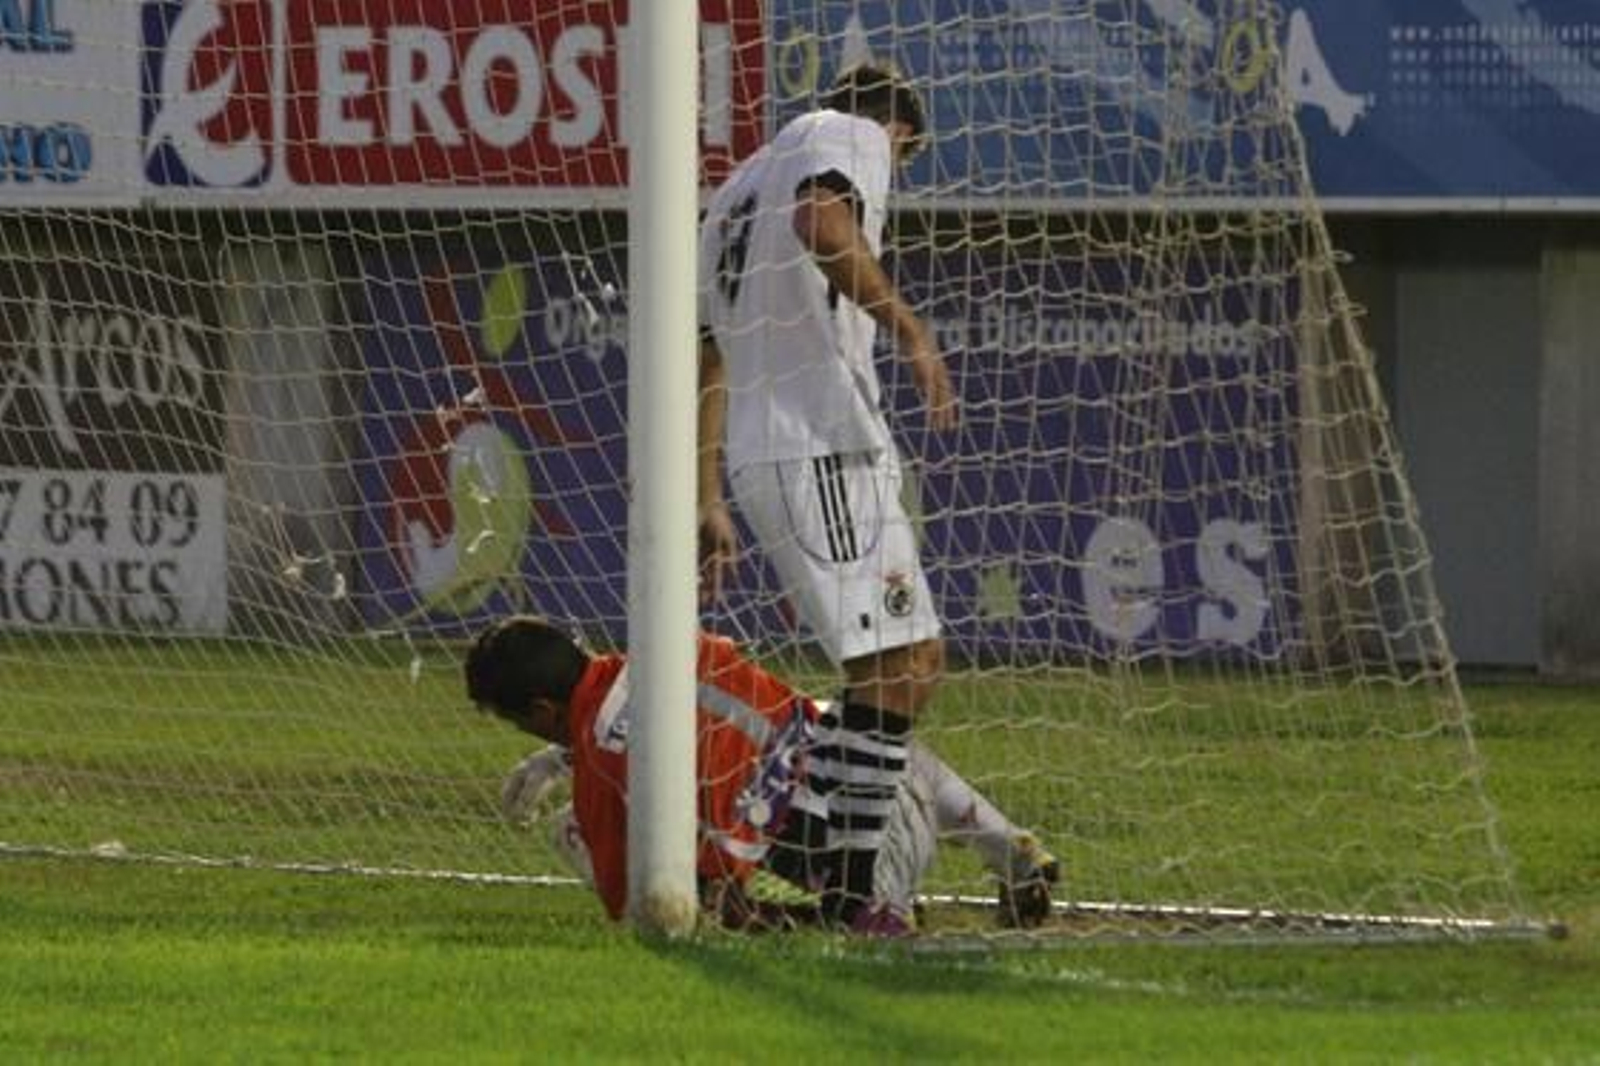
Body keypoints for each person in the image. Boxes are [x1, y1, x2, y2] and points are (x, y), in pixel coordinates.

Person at [695, 62, 958, 926]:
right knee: (901, 663)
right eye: (903, 158)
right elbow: (822, 219)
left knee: (899, 663)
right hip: (821, 444)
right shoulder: (844, 134)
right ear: (896, 131)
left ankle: (830, 872)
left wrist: (707, 492)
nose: (894, 174)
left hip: (769, 451)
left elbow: (708, 354)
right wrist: (909, 329)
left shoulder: (734, 194)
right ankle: (825, 871)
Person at [464, 614, 1059, 935]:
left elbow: (638, 910)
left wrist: (576, 765)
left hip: (856, 857)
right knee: (845, 727)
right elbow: (675, 717)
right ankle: (1014, 849)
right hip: (900, 782)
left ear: (541, 710)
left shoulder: (598, 774)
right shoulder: (684, 644)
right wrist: (564, 755)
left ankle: (870, 915)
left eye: (518, 723)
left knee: (596, 842)